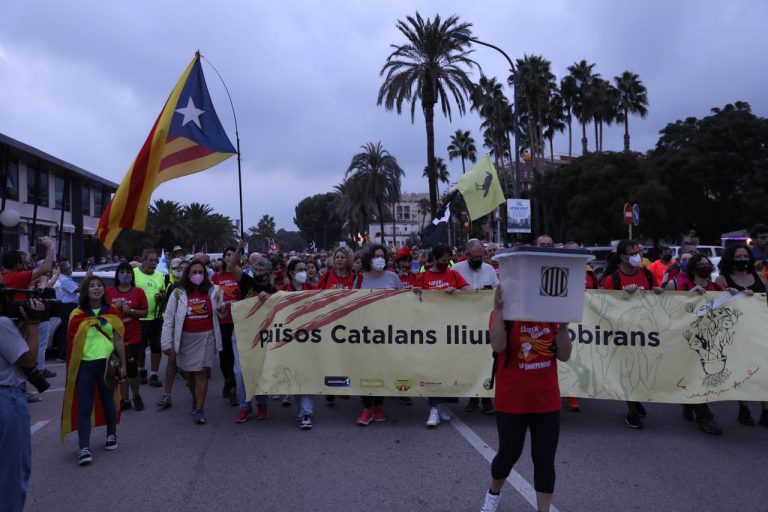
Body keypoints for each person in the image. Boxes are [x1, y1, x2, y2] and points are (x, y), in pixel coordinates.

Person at [480, 287, 572, 512]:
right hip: (511, 401)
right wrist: (499, 310)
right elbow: (498, 345)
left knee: (544, 459)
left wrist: (563, 328)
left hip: (546, 401)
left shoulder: (550, 314)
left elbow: (564, 355)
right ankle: (493, 493)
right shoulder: (506, 314)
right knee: (508, 455)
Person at [60, 275, 127, 466]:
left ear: (104, 290)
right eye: (92, 286)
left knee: (108, 402)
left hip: (106, 365)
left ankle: (111, 434)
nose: (96, 288)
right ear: (85, 291)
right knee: (85, 406)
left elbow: (119, 340)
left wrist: (123, 365)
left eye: (99, 285)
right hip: (84, 366)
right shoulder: (76, 314)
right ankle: (84, 447)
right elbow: (71, 343)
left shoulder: (113, 312)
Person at [599, 240, 663, 429]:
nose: (639, 255)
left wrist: (659, 294)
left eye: (639, 251)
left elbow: (655, 304)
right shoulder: (613, 279)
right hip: (622, 334)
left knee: (642, 370)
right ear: (623, 257)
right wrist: (621, 296)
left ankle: (635, 401)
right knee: (628, 372)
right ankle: (632, 411)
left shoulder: (648, 275)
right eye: (634, 252)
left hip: (645, 334)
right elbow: (604, 307)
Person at [666, 253, 728, 435]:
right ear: (692, 268)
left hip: (709, 341)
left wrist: (738, 296)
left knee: (700, 376)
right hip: (684, 339)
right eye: (700, 263)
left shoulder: (717, 287)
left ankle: (690, 403)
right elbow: (665, 310)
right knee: (692, 375)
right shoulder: (677, 285)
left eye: (706, 263)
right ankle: (705, 417)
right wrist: (687, 297)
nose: (704, 265)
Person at [161, 260, 224, 425]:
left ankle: (200, 409)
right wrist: (166, 343)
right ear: (187, 275)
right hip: (185, 339)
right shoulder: (177, 293)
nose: (197, 275)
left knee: (202, 373)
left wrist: (222, 311)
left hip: (207, 337)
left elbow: (220, 313)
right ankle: (195, 399)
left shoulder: (215, 290)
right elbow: (169, 319)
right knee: (190, 376)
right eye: (194, 272)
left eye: (200, 272)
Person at [415, 244, 471, 428]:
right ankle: (433, 408)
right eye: (443, 261)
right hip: (429, 331)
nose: (446, 264)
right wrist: (434, 294)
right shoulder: (423, 276)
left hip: (451, 331)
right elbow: (412, 300)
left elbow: (471, 293)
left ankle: (443, 405)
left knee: (448, 368)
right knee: (432, 369)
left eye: (448, 261)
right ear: (434, 260)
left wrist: (456, 293)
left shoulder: (453, 274)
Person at [0, 286, 44, 511]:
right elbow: (28, 360)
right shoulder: (3, 324)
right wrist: (33, 326)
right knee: (13, 474)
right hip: (7, 397)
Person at [715, 243, 768, 427]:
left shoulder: (760, 276)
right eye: (738, 256)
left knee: (763, 370)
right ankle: (743, 408)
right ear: (730, 258)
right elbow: (718, 306)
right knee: (742, 371)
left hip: (760, 330)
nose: (742, 259)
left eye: (745, 255)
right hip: (737, 333)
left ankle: (765, 409)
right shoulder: (723, 279)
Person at [227, 243, 277, 423]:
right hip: (241, 332)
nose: (256, 271)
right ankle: (244, 406)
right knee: (240, 371)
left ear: (269, 272)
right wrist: (239, 249)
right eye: (254, 268)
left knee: (259, 369)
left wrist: (270, 297)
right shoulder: (246, 281)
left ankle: (262, 404)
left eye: (261, 269)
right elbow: (232, 266)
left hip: (263, 335)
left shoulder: (274, 291)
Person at [355, 244, 403, 426]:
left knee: (382, 369)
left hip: (388, 333)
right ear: (369, 258)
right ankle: (367, 408)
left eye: (383, 256)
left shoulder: (393, 277)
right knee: (365, 369)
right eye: (376, 256)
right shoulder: (360, 280)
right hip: (364, 334)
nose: (380, 259)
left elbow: (404, 302)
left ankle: (379, 406)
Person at [453, 238, 498, 415]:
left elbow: (498, 290)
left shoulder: (489, 269)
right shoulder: (456, 269)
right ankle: (472, 398)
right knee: (470, 361)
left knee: (486, 361)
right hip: (465, 323)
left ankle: (487, 400)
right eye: (475, 257)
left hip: (486, 321)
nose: (478, 260)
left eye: (481, 256)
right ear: (467, 254)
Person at [317, 246, 358, 406]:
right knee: (330, 356)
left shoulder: (356, 277)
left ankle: (343, 386)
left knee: (346, 357)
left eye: (342, 257)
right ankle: (331, 389)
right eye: (337, 257)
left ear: (348, 259)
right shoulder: (327, 276)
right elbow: (317, 295)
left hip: (348, 324)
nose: (339, 260)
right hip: (329, 322)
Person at [279, 258, 316, 429]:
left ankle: (306, 412)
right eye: (300, 269)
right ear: (292, 273)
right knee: (295, 374)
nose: (305, 272)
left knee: (307, 373)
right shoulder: (282, 292)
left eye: (306, 269)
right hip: (289, 340)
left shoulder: (314, 290)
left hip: (311, 339)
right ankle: (301, 410)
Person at [107, 263, 148, 412]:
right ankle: (124, 399)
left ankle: (136, 395)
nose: (125, 275)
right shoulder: (109, 292)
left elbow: (144, 312)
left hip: (133, 337)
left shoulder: (138, 292)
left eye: (128, 272)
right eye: (122, 272)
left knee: (131, 369)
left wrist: (130, 311)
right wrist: (113, 308)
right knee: (118, 369)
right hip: (113, 338)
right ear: (117, 275)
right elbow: (101, 312)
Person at [156, 258, 189, 409]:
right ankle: (167, 395)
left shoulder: (202, 288)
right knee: (171, 362)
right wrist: (166, 340)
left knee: (195, 368)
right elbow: (168, 315)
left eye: (185, 268)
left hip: (195, 333)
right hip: (177, 331)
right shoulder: (174, 289)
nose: (182, 271)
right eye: (179, 268)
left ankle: (196, 397)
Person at [133, 249, 166, 387]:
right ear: (143, 260)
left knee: (156, 346)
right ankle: (141, 371)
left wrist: (161, 297)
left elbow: (164, 292)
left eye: (155, 261)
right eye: (151, 260)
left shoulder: (159, 275)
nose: (154, 263)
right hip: (139, 318)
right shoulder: (134, 274)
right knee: (140, 347)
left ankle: (154, 374)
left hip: (156, 317)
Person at [212, 246, 240, 406]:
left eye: (233, 254)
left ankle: (234, 388)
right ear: (223, 258)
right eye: (227, 255)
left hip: (238, 322)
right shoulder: (216, 277)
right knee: (225, 356)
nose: (230, 257)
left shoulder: (239, 276)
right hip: (222, 322)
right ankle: (228, 382)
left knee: (237, 355)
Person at [53, 261, 80, 362]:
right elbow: (78, 289)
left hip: (70, 306)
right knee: (67, 331)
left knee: (69, 330)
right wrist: (87, 279)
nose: (71, 269)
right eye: (69, 268)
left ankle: (65, 354)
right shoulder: (64, 280)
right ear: (64, 270)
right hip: (67, 307)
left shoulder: (67, 279)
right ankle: (62, 355)